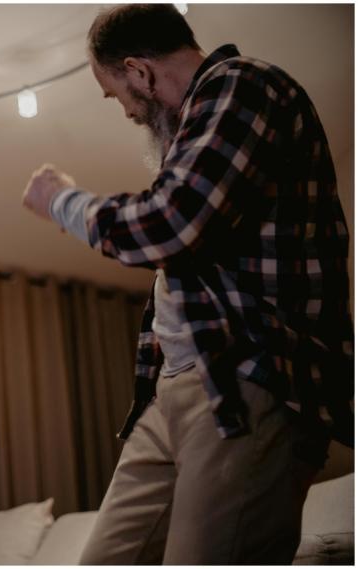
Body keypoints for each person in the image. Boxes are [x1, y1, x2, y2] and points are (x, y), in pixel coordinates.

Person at [22, 4, 352, 564]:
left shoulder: (243, 84)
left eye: (116, 94)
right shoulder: (199, 128)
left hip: (245, 377)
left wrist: (61, 201)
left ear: (139, 72)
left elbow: (172, 223)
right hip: (169, 391)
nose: (125, 109)